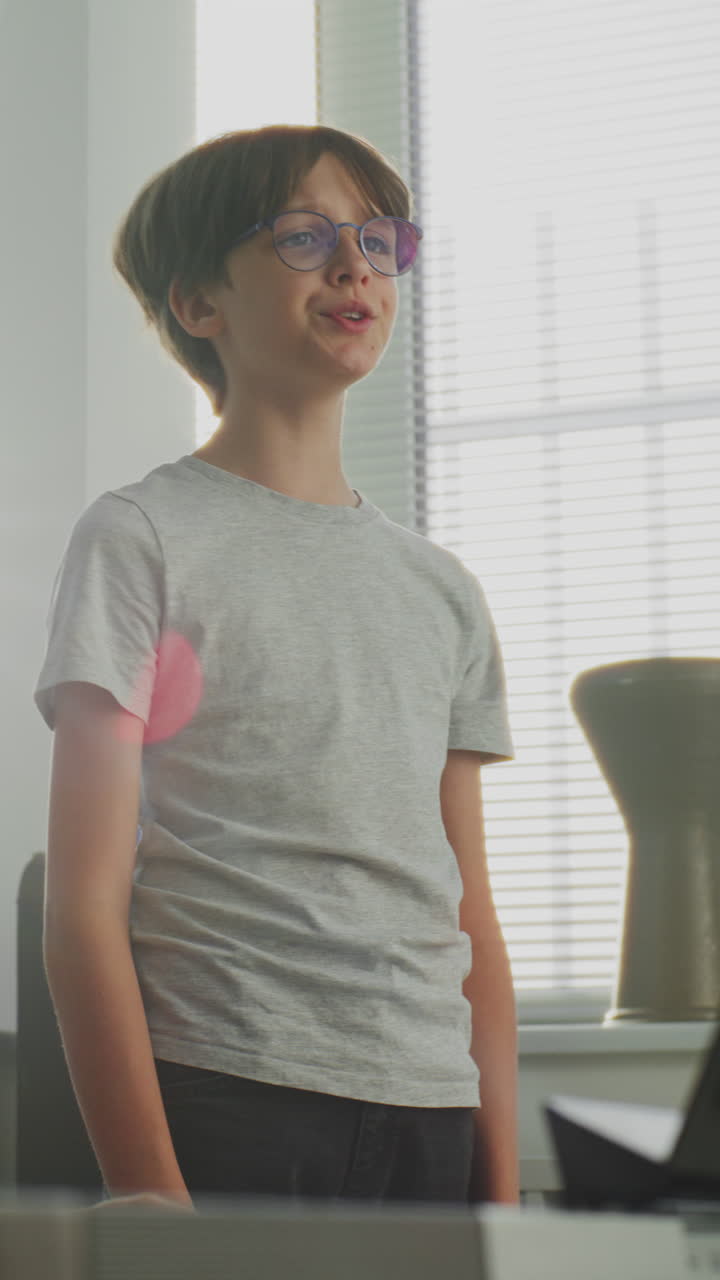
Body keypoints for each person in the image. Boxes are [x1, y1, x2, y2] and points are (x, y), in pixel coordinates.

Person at [33, 124, 518, 1213]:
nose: (354, 266)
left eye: (378, 240)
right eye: (304, 236)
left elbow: (471, 921)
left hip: (432, 1107)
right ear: (198, 302)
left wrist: (504, 1199)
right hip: (231, 1091)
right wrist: (150, 1196)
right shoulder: (141, 537)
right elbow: (83, 905)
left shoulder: (443, 589)